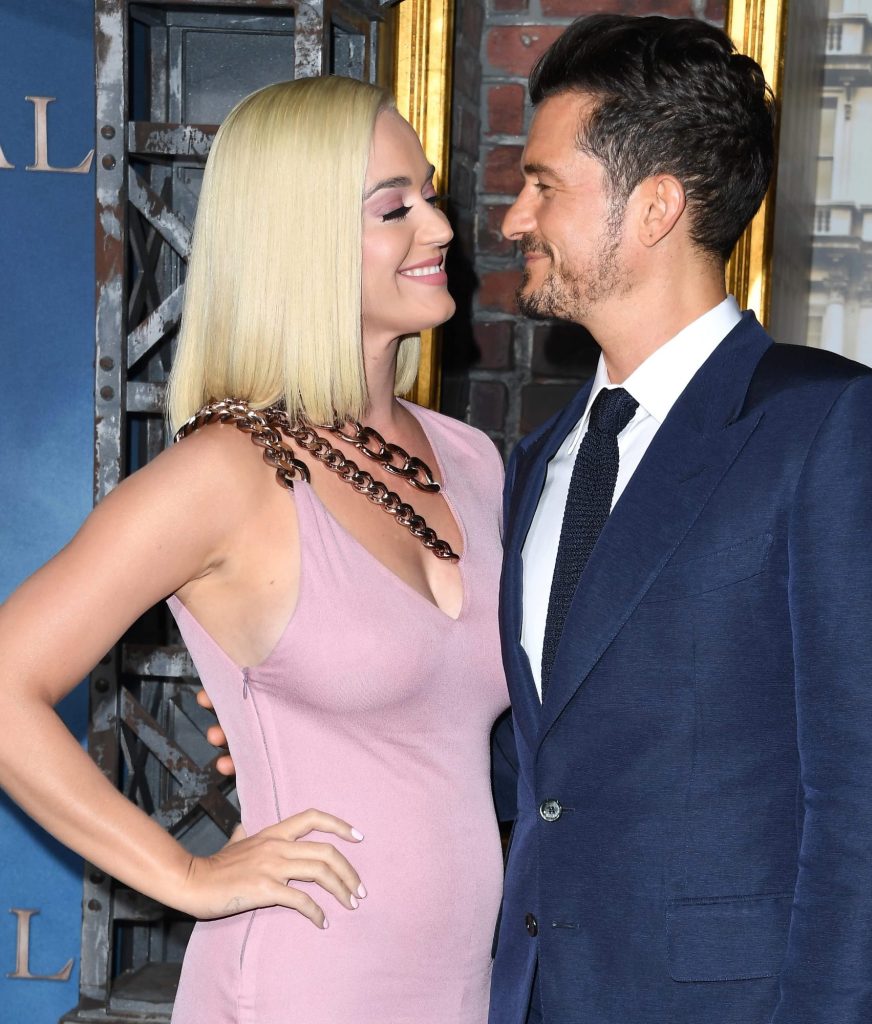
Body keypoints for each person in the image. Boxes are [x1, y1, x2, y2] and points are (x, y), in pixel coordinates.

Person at [0, 76, 508, 1024]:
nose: (440, 229)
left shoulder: (471, 461)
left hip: (464, 988)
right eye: (394, 208)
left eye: (430, 195)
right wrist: (186, 875)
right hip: (302, 979)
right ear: (298, 239)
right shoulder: (226, 474)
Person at [487, 15, 872, 1024]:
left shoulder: (837, 429)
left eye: (543, 184)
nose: (513, 219)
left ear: (654, 206)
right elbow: (545, 760)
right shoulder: (539, 460)